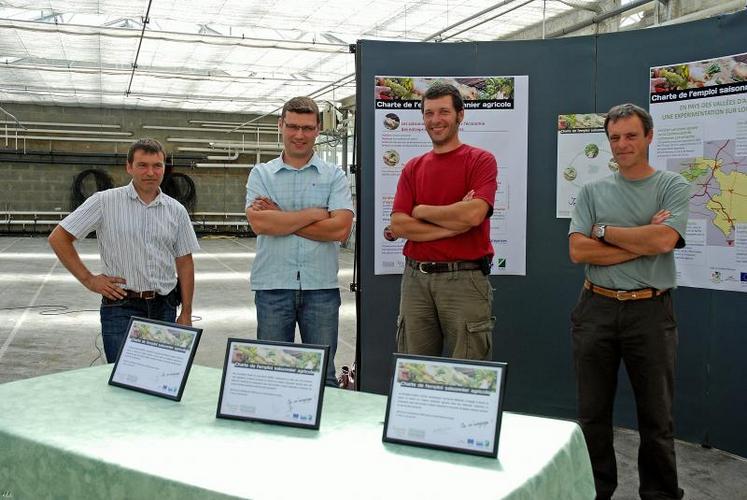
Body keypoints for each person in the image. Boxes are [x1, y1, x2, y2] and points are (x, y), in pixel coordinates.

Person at [568, 103, 689, 500]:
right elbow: (579, 252)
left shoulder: (672, 186)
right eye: (615, 138)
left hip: (650, 312)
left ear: (649, 136)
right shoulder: (591, 191)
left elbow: (664, 240)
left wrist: (604, 232)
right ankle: (594, 491)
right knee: (592, 415)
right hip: (596, 309)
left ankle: (660, 495)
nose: (622, 144)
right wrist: (640, 239)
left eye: (631, 135)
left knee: (657, 420)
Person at [49, 138, 199, 362]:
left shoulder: (176, 210)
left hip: (165, 306)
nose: (151, 172)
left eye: (157, 165)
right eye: (142, 165)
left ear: (164, 168)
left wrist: (186, 312)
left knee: (162, 376)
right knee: (122, 379)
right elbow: (59, 238)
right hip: (121, 307)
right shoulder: (104, 202)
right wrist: (89, 280)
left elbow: (185, 262)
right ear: (129, 167)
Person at [245, 96, 354, 387]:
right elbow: (260, 223)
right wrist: (312, 216)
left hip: (321, 289)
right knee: (271, 373)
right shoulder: (261, 174)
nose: (299, 135)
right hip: (272, 287)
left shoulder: (334, 176)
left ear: (318, 129)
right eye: (292, 126)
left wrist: (282, 218)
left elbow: (340, 229)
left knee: (322, 376)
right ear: (280, 125)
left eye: (307, 128)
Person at [389, 82, 497, 360]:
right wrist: (455, 223)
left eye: (444, 112)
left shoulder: (481, 160)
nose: (435, 120)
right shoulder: (413, 167)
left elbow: (474, 215)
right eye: (428, 113)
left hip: (465, 279)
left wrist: (422, 210)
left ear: (460, 115)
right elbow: (399, 226)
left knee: (469, 372)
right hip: (415, 281)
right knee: (413, 370)